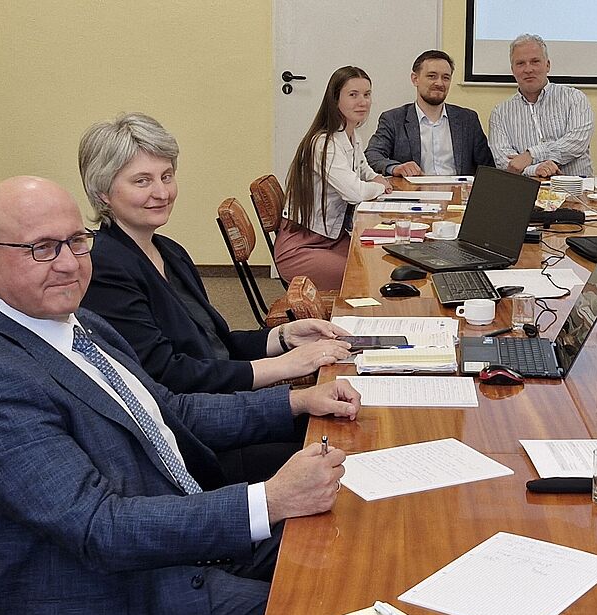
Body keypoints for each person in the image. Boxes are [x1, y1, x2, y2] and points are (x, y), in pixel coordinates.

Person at [0, 176, 360, 615]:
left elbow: (172, 413)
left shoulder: (78, 324)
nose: (68, 263)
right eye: (42, 248)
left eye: (76, 241)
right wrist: (270, 499)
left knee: (357, 541)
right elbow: (98, 526)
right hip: (104, 608)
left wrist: (298, 401)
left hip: (166, 544)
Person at [78, 113, 350, 396]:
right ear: (103, 193)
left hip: (219, 396)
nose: (162, 192)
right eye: (142, 181)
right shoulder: (105, 270)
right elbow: (167, 375)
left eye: (166, 176)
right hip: (193, 415)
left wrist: (284, 336)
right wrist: (285, 366)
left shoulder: (170, 251)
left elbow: (215, 345)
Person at [277, 66, 392, 291]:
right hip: (303, 247)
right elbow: (354, 193)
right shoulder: (324, 143)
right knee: (367, 278)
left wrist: (377, 179)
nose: (363, 102)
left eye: (367, 94)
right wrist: (379, 187)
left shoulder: (350, 135)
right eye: (353, 95)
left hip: (333, 239)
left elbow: (365, 171)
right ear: (335, 99)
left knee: (380, 263)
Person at [364, 50, 494, 178]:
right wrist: (395, 168)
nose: (439, 83)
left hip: (458, 190)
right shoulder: (393, 119)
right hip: (413, 190)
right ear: (415, 79)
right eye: (432, 76)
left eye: (446, 78)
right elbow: (372, 155)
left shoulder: (468, 120)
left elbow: (488, 167)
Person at [488, 34, 594, 179]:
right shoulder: (500, 113)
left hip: (575, 186)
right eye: (520, 63)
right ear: (513, 70)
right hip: (526, 189)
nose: (528, 69)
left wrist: (531, 155)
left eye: (535, 61)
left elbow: (576, 143)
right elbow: (504, 162)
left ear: (547, 65)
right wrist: (535, 169)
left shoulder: (574, 99)